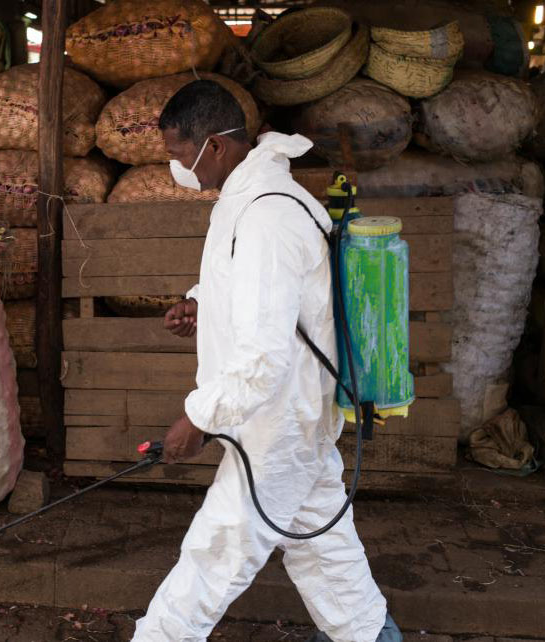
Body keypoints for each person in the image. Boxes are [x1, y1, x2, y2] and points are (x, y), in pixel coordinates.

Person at [131, 79, 401, 642]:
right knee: (325, 553)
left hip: (279, 421)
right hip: (285, 417)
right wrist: (201, 305)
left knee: (216, 553)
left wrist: (200, 419)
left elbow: (262, 356)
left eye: (181, 154)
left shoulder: (268, 215)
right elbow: (261, 293)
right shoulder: (247, 198)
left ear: (217, 146)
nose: (178, 167)